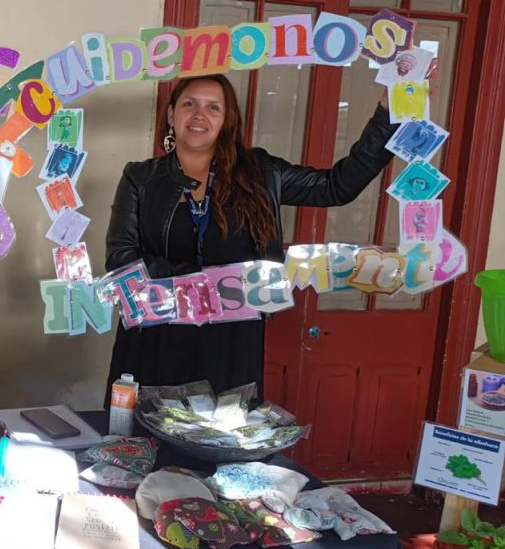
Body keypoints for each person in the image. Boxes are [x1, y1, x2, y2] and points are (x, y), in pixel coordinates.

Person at [104, 74, 397, 404]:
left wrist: (387, 115)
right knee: (147, 430)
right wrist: (207, 285)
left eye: (213, 107)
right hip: (155, 338)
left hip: (231, 342)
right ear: (171, 115)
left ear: (226, 120)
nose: (199, 115)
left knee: (223, 430)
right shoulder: (140, 178)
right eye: (189, 104)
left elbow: (337, 187)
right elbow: (121, 259)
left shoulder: (260, 172)